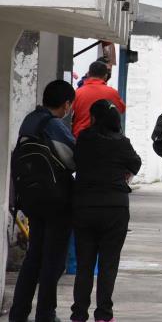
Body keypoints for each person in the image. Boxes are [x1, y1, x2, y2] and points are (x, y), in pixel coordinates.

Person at [9, 80, 76, 322]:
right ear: (66, 104)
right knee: (53, 261)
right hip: (55, 200)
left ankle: (19, 313)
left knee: (34, 257)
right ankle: (45, 313)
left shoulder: (30, 120)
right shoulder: (54, 125)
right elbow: (72, 158)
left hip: (31, 198)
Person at [70, 100, 141, 322]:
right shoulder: (122, 142)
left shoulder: (84, 139)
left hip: (85, 207)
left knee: (84, 264)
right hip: (115, 208)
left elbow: (76, 162)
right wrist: (124, 173)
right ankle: (103, 314)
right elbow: (136, 163)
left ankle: (79, 314)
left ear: (93, 118)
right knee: (108, 263)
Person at [71, 61, 125, 138]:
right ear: (106, 76)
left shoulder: (78, 93)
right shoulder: (112, 93)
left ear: (88, 74)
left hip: (80, 138)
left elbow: (68, 114)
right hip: (104, 139)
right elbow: (121, 109)